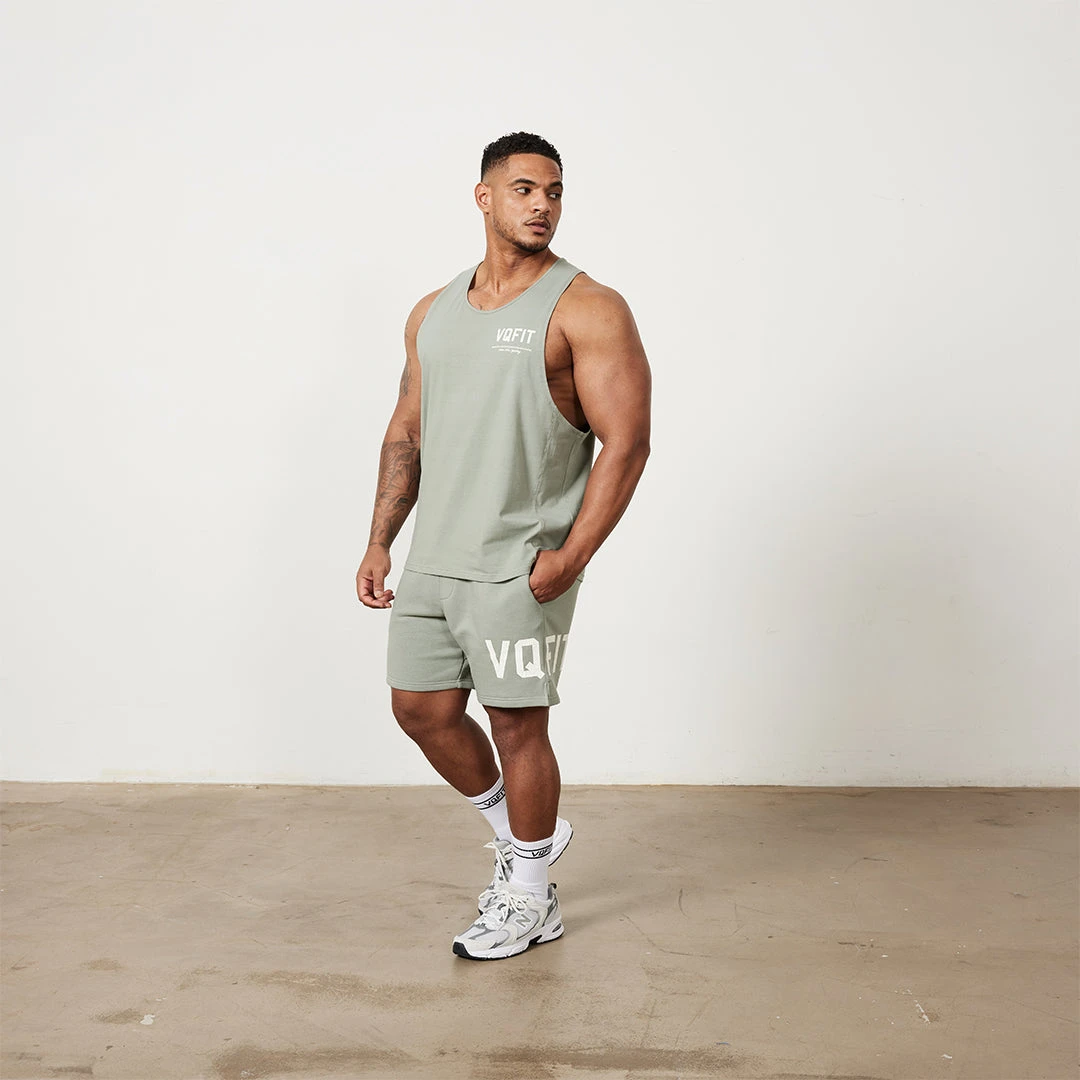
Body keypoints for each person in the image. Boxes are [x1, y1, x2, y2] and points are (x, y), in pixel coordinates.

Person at [355, 131, 651, 960]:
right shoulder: (433, 310)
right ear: (483, 197)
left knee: (518, 728)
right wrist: (380, 541)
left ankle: (530, 894)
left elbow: (627, 442)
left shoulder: (588, 307)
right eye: (524, 189)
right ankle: (525, 836)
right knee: (419, 711)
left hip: (519, 564)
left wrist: (569, 558)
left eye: (553, 191)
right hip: (435, 558)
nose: (541, 205)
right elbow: (407, 429)